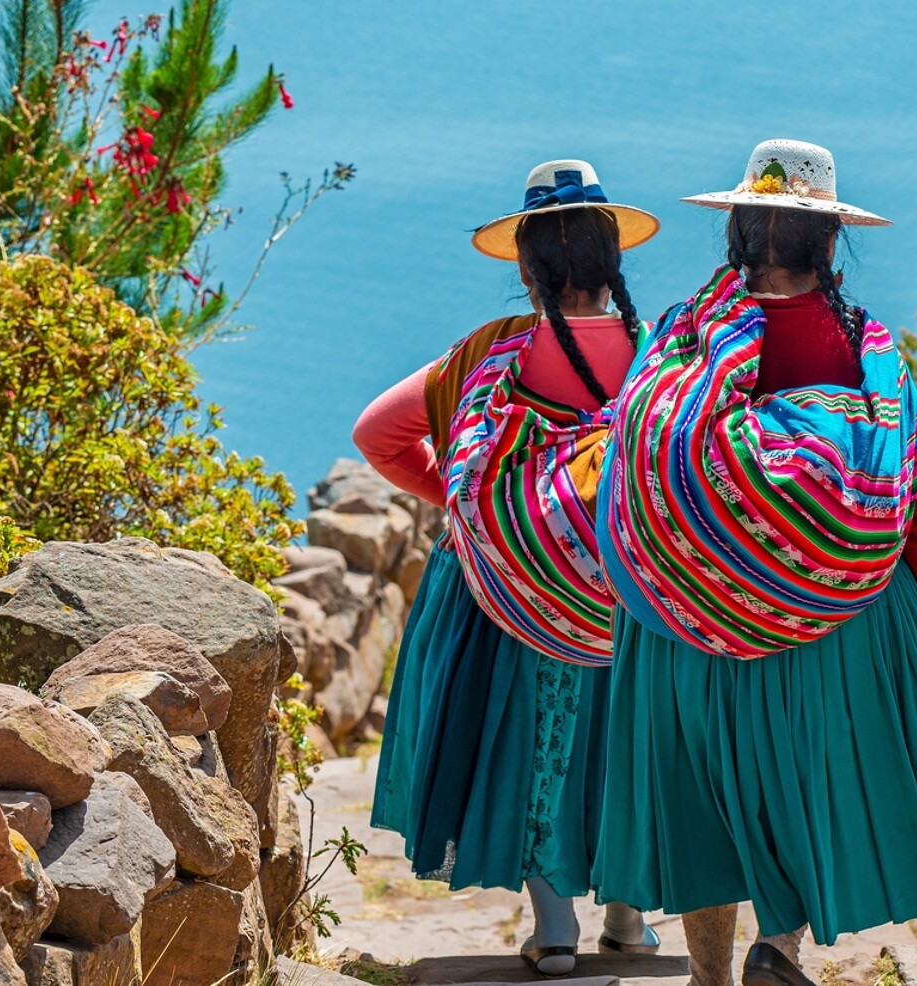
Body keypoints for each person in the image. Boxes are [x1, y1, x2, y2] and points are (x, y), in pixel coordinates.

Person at [590, 139, 917, 986]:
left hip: (688, 626)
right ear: (830, 239)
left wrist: (651, 588)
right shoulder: (866, 352)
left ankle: (708, 975)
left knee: (703, 811)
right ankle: (776, 950)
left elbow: (629, 470)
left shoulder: (682, 340)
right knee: (807, 792)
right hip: (835, 624)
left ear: (738, 230)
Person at [359, 159, 661, 978]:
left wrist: (483, 505)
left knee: (529, 740)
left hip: (506, 594)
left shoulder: (490, 356)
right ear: (613, 263)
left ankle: (554, 925)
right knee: (627, 743)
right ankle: (629, 917)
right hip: (630, 593)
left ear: (527, 271)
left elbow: (376, 435)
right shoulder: (659, 358)